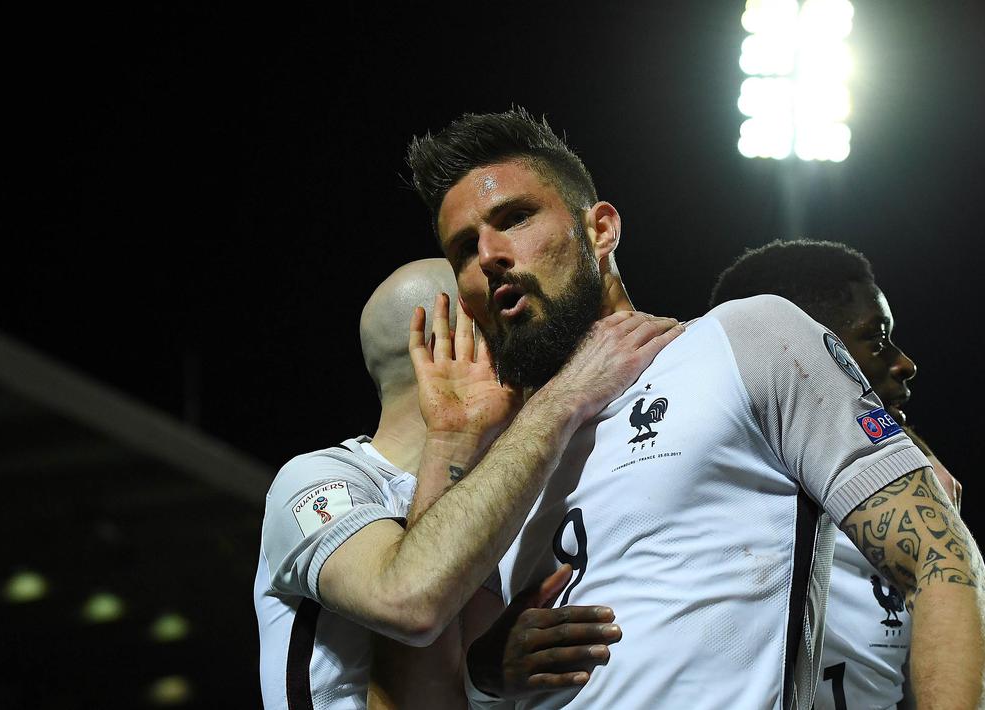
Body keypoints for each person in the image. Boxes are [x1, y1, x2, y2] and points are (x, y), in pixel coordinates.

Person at [406, 108, 985, 709]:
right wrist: (483, 671)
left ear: (601, 231)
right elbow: (415, 662)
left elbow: (942, 564)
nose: (489, 255)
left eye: (515, 218)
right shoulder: (501, 465)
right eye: (463, 248)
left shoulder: (743, 340)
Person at [254, 258, 674, 708]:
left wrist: (481, 678)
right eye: (506, 324)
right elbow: (409, 601)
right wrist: (556, 401)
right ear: (463, 343)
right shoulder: (316, 481)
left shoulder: (501, 497)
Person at [709, 239, 963, 709]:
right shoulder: (699, 494)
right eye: (877, 337)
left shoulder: (906, 500)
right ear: (804, 344)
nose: (905, 363)